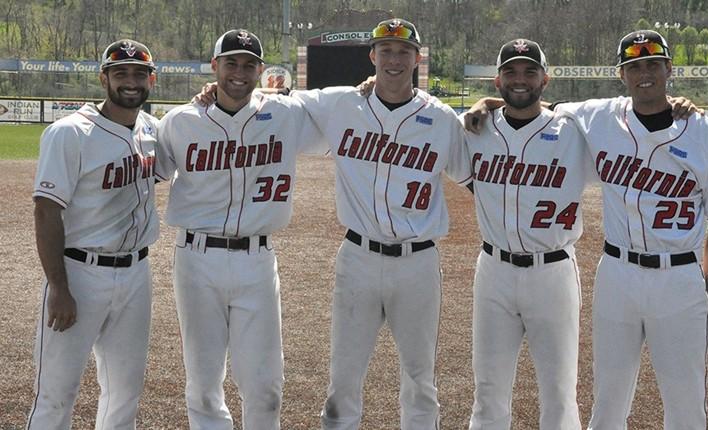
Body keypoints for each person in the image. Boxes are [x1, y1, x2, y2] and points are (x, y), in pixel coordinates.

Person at [290, 18, 472, 429]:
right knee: (344, 375)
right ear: (372, 56)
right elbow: (275, 102)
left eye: (403, 51)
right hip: (358, 257)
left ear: (417, 58)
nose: (394, 59)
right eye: (385, 51)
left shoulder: (442, 119)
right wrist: (214, 92)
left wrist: (490, 105)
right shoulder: (340, 104)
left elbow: (477, 177)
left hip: (418, 262)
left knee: (420, 378)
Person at [567, 30, 708, 429]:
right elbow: (540, 106)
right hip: (617, 273)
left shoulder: (702, 131)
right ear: (622, 74)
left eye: (652, 64)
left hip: (680, 276)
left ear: (669, 68)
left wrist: (705, 285)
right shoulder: (599, 116)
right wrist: (489, 101)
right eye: (634, 66)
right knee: (609, 399)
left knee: (685, 402)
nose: (644, 73)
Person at [156, 29, 322, 430]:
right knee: (203, 381)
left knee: (265, 384)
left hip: (257, 260)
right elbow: (144, 168)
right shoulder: (180, 121)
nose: (239, 72)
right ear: (214, 67)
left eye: (249, 65)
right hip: (196, 259)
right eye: (231, 63)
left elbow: (356, 111)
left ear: (261, 71)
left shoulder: (287, 114)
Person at [458, 39, 593, 430]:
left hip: (552, 272)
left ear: (545, 79)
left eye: (529, 72)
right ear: (497, 79)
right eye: (511, 72)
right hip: (494, 271)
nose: (520, 80)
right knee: (488, 390)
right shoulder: (474, 129)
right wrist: (485, 104)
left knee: (559, 392)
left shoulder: (573, 130)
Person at [28, 39, 160, 429]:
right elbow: (46, 210)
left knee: (125, 391)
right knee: (55, 392)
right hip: (80, 272)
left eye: (139, 73)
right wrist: (59, 287)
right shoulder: (70, 133)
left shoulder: (151, 128)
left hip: (137, 272)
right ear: (104, 78)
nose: (131, 82)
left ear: (151, 79)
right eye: (121, 73)